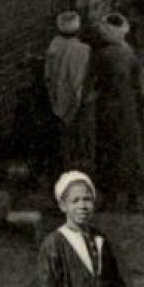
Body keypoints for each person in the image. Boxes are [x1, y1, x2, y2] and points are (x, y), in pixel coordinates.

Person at [91, 13, 144, 212]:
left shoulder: (103, 55)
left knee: (108, 150)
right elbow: (140, 82)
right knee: (132, 151)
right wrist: (143, 102)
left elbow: (93, 82)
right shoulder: (128, 52)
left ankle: (110, 196)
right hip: (129, 109)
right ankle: (132, 198)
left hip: (108, 108)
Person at [46, 12, 97, 175]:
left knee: (64, 138)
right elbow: (81, 80)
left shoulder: (54, 46)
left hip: (58, 100)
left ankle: (64, 169)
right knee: (83, 137)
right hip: (81, 100)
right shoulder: (82, 50)